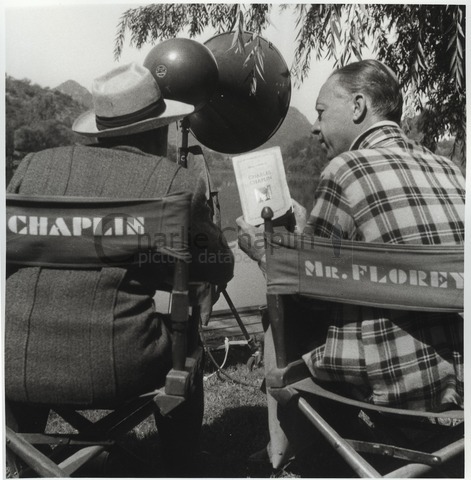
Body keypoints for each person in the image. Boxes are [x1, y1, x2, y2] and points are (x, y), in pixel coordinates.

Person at [6, 62, 234, 473]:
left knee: (28, 331)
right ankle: (180, 466)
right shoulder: (174, 183)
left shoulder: (34, 168)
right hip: (121, 368)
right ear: (158, 128)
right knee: (189, 345)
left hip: (14, 363)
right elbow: (217, 266)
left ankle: (24, 460)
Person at [238, 59, 465, 469]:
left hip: (397, 386)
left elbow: (308, 294)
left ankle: (292, 457)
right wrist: (308, 233)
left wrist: (263, 253)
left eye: (322, 112)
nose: (314, 125)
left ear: (358, 106)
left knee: (286, 314)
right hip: (460, 376)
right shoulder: (450, 169)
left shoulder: (346, 169)